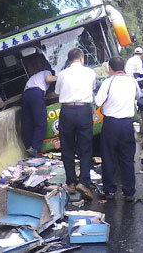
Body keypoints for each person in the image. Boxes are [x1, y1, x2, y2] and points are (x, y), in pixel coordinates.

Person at [95, 56, 142, 202]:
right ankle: (129, 192)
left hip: (111, 124)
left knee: (108, 157)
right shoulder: (132, 81)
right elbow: (138, 96)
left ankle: (110, 190)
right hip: (127, 124)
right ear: (123, 68)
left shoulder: (108, 82)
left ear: (110, 68)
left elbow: (97, 101)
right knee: (127, 158)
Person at [55, 48, 96, 200]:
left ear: (69, 60)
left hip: (67, 111)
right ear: (82, 58)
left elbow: (58, 91)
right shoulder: (90, 72)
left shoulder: (62, 74)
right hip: (84, 110)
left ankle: (71, 182)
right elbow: (92, 88)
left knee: (67, 147)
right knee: (85, 147)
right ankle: (84, 182)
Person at [21, 55, 57, 156]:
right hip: (36, 94)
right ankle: (35, 147)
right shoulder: (46, 72)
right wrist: (61, 77)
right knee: (41, 122)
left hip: (25, 94)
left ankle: (28, 146)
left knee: (27, 122)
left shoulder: (34, 77)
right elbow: (49, 79)